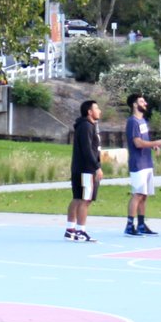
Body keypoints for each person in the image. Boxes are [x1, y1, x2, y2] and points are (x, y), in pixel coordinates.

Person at [124, 93, 161, 236]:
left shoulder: (142, 121)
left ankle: (141, 225)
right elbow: (137, 143)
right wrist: (158, 142)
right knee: (137, 194)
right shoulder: (132, 122)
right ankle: (130, 226)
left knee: (144, 195)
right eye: (142, 101)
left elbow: (144, 141)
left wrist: (152, 146)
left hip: (147, 162)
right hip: (138, 163)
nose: (146, 103)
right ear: (135, 105)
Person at [66, 100, 102, 242]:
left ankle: (70, 229)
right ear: (89, 112)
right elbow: (87, 150)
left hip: (80, 168)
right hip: (86, 169)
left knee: (77, 198)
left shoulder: (86, 126)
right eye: (97, 108)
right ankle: (81, 231)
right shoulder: (86, 126)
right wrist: (96, 167)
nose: (99, 111)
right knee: (85, 200)